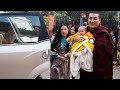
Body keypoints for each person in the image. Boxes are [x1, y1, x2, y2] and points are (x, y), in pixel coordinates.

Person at [74, 12, 114, 79]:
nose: (92, 21)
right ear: (88, 19)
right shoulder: (85, 30)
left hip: (99, 72)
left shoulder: (103, 34)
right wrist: (75, 39)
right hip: (85, 69)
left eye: (95, 18)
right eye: (90, 18)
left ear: (99, 20)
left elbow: (103, 57)